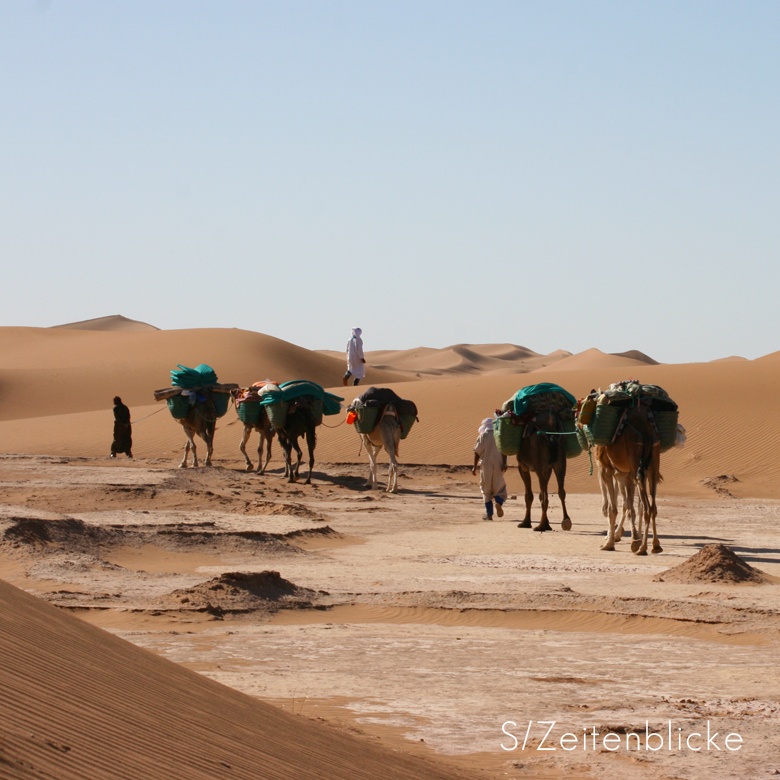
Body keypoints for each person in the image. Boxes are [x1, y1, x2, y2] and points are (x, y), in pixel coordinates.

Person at [472, 417, 507, 520]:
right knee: (499, 487)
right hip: (499, 464)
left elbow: (477, 452)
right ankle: (498, 502)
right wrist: (504, 463)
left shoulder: (483, 436)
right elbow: (504, 451)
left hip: (485, 465)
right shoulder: (499, 436)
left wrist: (474, 467)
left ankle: (489, 514)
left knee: (486, 489)